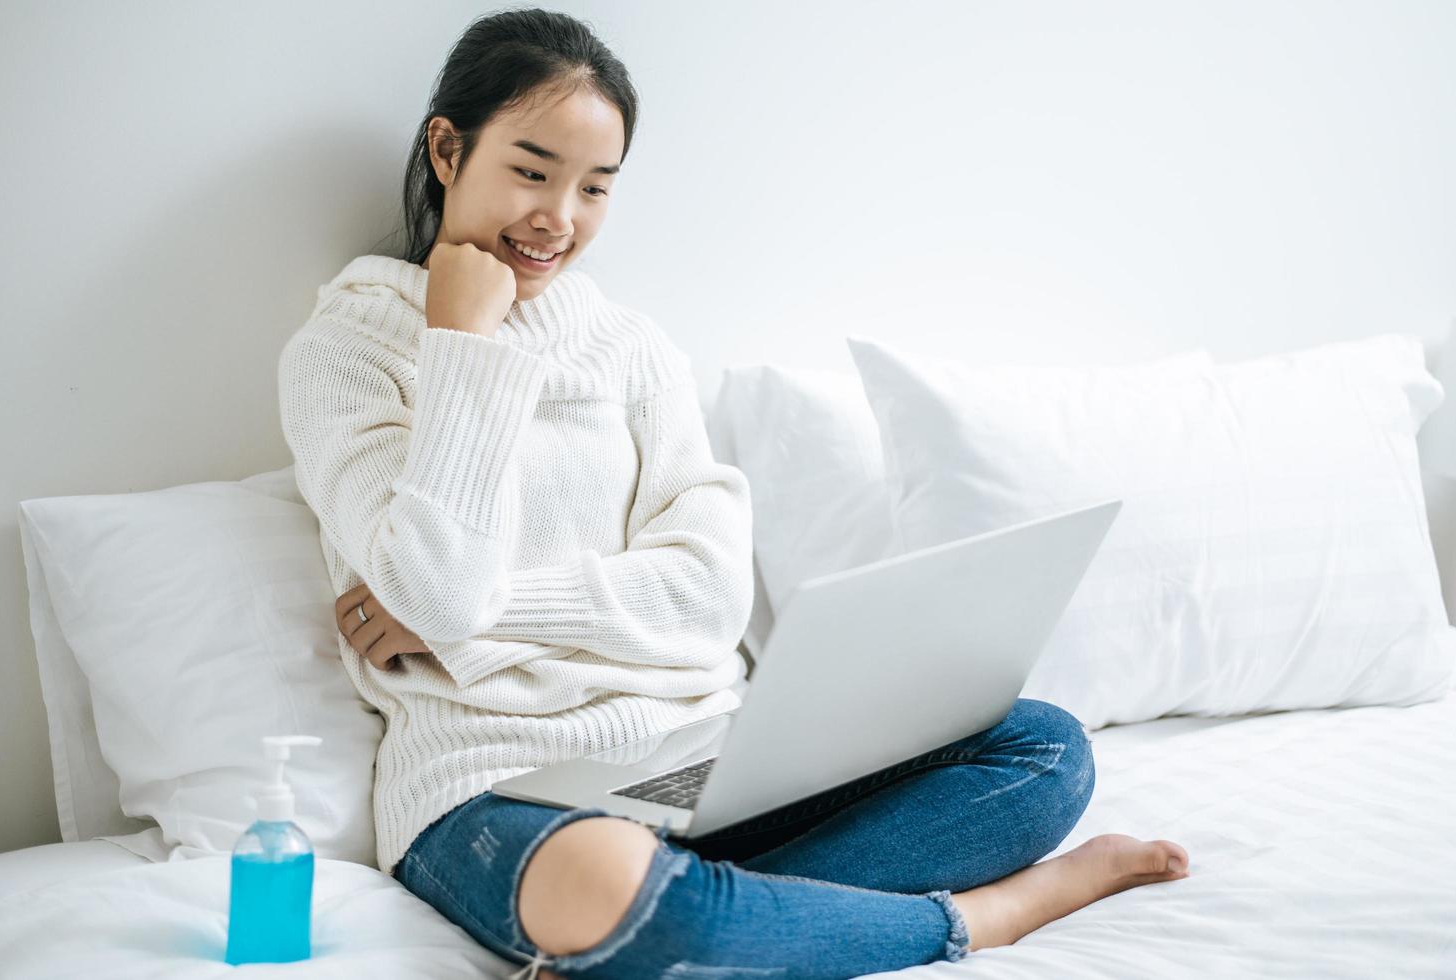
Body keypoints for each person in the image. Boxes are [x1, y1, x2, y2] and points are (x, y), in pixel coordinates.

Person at [277, 9, 1190, 980]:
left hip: (701, 760)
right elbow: (436, 591)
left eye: (595, 186)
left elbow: (707, 601)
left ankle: (697, 916)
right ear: (448, 148)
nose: (560, 218)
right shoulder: (347, 352)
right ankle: (984, 915)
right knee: (614, 880)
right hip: (493, 784)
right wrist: (464, 347)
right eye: (532, 171)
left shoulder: (632, 349)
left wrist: (480, 616)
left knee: (1042, 747)